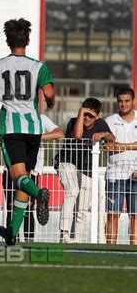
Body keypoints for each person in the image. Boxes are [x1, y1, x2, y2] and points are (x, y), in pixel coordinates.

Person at [0, 18, 55, 246]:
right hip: (33, 128)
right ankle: (11, 232)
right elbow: (49, 93)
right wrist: (49, 101)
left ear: (7, 41)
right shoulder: (38, 66)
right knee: (24, 178)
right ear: (27, 41)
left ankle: (39, 193)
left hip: (11, 128)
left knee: (18, 178)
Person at [56, 97, 114, 243]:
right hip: (66, 162)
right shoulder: (73, 122)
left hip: (87, 167)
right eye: (85, 114)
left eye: (91, 115)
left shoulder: (101, 123)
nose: (87, 118)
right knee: (72, 190)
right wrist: (81, 113)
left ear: (97, 116)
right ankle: (64, 234)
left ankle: (77, 239)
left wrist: (104, 134)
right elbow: (77, 136)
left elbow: (112, 138)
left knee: (82, 208)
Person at [2, 114, 64, 242]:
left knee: (28, 209)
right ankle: (13, 237)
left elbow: (59, 133)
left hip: (32, 171)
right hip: (10, 171)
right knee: (11, 207)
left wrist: (36, 138)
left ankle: (29, 240)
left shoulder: (40, 118)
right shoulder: (11, 115)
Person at [103, 87, 137, 245]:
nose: (123, 104)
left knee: (135, 215)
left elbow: (114, 146)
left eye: (127, 101)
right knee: (112, 214)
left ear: (134, 101)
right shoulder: (109, 121)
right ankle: (110, 250)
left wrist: (119, 146)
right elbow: (106, 146)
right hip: (115, 175)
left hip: (136, 174)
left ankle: (134, 250)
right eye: (120, 101)